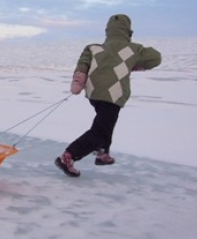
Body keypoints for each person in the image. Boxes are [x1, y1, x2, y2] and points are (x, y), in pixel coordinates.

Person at [55, 14, 161, 177]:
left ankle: (102, 153)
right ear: (128, 31)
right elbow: (155, 58)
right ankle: (68, 156)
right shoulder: (133, 49)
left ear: (107, 31)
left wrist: (78, 81)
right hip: (114, 92)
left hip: (94, 92)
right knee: (100, 130)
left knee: (105, 122)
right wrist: (136, 62)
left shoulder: (94, 47)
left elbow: (83, 64)